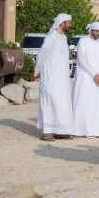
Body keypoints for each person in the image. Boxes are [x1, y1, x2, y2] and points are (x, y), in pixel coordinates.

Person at [32, 13, 74, 142]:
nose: (70, 25)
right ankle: (47, 132)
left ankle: (61, 131)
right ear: (61, 23)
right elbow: (42, 55)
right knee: (48, 103)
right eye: (68, 23)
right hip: (50, 76)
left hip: (62, 78)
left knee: (61, 103)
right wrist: (36, 71)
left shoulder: (63, 37)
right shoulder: (51, 37)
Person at [71, 22, 99, 138]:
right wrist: (94, 74)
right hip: (85, 77)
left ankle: (97, 129)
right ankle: (81, 130)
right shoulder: (83, 41)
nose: (98, 33)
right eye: (96, 31)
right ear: (91, 30)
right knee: (84, 101)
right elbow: (82, 60)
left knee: (97, 103)